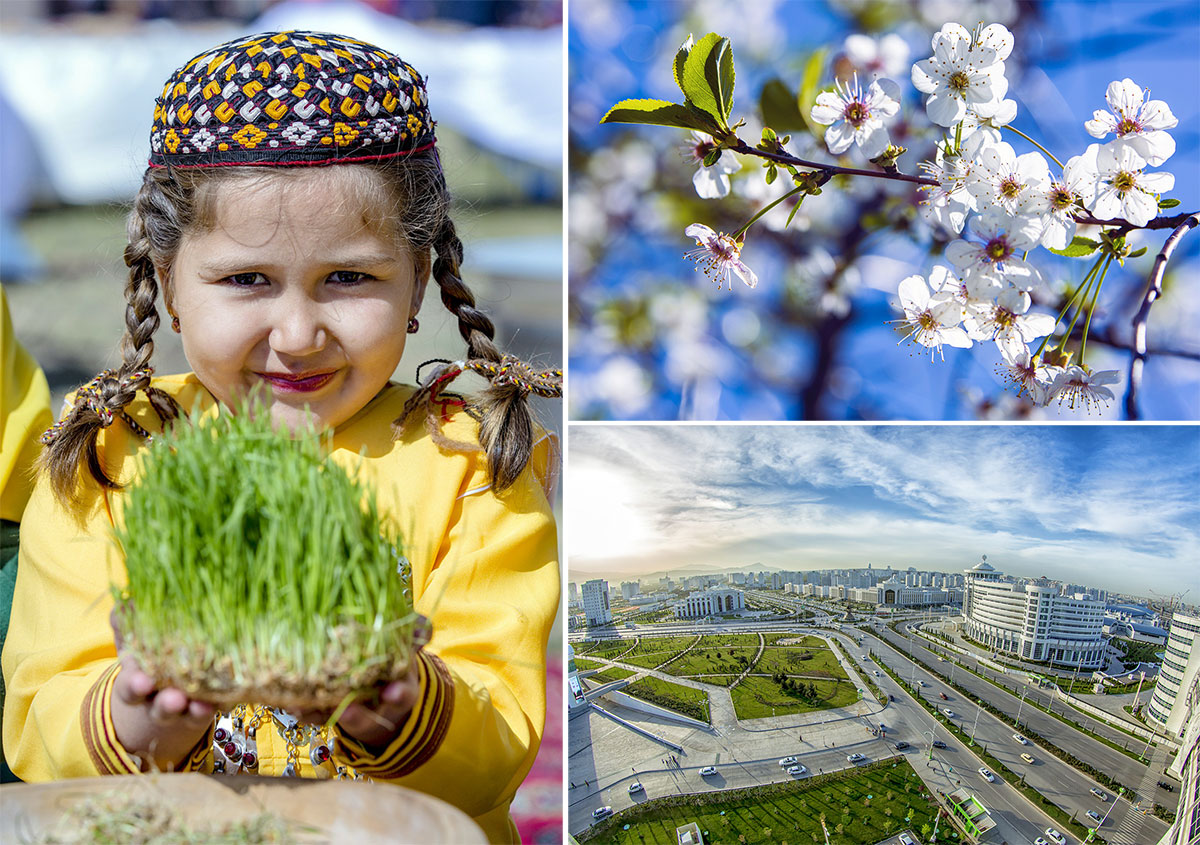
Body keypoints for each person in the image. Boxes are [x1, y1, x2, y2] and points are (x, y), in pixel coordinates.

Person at [0, 30, 561, 844]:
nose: (297, 334)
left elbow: (495, 744)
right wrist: (134, 720)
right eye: (246, 281)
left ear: (416, 281)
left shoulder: (469, 465)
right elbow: (41, 718)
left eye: (349, 278)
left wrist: (398, 705)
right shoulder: (108, 451)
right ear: (169, 283)